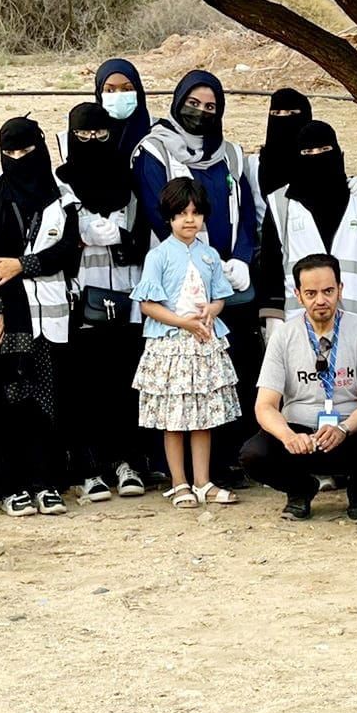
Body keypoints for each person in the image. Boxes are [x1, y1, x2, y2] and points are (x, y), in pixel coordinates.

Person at [133, 70, 261, 481]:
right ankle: (176, 475)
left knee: (220, 381)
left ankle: (223, 464)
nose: (201, 112)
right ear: (178, 102)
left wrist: (240, 259)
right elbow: (158, 212)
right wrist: (202, 260)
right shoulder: (153, 150)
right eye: (193, 103)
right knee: (177, 392)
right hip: (179, 288)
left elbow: (247, 213)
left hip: (225, 286)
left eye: (210, 106)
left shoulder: (231, 154)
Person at [0, 118, 80, 518]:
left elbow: (68, 251)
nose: (18, 158)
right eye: (10, 152)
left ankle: (46, 483)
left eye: (26, 151)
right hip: (9, 317)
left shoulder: (63, 196)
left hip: (50, 316)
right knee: (9, 400)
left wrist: (22, 264)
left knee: (48, 401)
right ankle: (10, 487)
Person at [240, 254, 357, 522]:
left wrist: (343, 429)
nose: (320, 300)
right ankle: (300, 489)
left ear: (340, 290)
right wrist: (288, 436)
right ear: (298, 295)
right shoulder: (283, 336)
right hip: (300, 436)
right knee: (254, 454)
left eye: (328, 291)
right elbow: (264, 406)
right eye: (311, 293)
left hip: (349, 431)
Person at [130, 177, 243, 509]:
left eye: (195, 213)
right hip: (171, 347)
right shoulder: (159, 255)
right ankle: (179, 483)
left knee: (203, 416)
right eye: (181, 214)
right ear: (169, 217)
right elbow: (147, 305)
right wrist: (183, 322)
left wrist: (211, 311)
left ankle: (203, 482)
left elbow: (220, 296)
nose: (189, 220)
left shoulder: (209, 255)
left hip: (203, 344)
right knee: (174, 418)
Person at [61, 102, 147, 502]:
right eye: (83, 135)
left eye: (100, 134)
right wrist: (92, 235)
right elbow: (63, 233)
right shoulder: (61, 183)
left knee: (123, 385)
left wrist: (126, 239)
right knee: (85, 389)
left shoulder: (129, 182)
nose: (92, 141)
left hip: (127, 300)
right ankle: (89, 468)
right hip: (82, 302)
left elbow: (145, 230)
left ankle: (126, 461)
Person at [258, 120, 357, 327]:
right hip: (297, 324)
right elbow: (270, 265)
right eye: (308, 152)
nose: (317, 157)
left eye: (324, 149)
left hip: (352, 322)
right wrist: (273, 316)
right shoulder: (281, 204)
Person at [57, 58, 152, 163]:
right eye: (110, 90)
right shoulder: (81, 137)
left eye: (127, 89)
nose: (118, 95)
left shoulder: (157, 134)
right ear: (99, 93)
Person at [246, 87, 312, 231]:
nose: (283, 119)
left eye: (291, 113)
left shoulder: (318, 163)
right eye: (276, 113)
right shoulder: (252, 166)